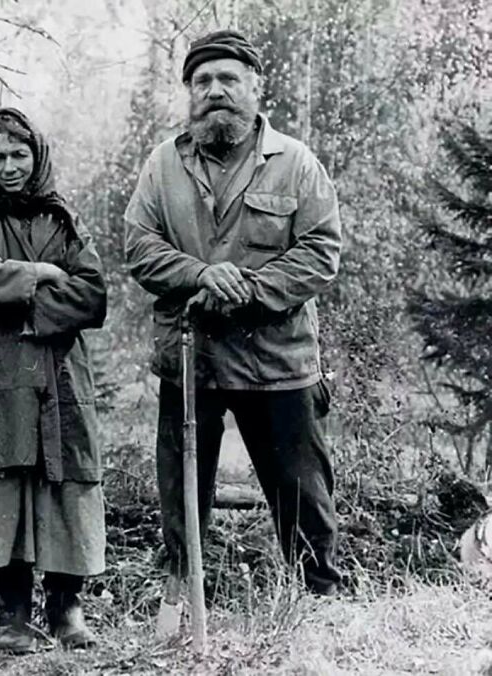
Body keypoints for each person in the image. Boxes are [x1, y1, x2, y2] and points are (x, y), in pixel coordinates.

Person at [125, 30, 343, 596]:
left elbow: (321, 252)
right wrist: (200, 274)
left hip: (278, 358)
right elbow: (139, 246)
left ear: (255, 87)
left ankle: (317, 599)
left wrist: (247, 287)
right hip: (190, 357)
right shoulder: (162, 166)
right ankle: (182, 595)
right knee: (182, 492)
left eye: (228, 79)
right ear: (189, 94)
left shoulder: (295, 162)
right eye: (203, 81)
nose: (215, 91)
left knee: (301, 490)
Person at [0, 108, 107, 652]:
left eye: (19, 155)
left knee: (65, 485)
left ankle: (66, 607)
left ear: (37, 157)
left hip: (59, 378)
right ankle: (11, 612)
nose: (9, 167)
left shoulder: (64, 221)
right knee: (2, 485)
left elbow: (92, 294)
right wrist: (40, 274)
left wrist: (19, 302)